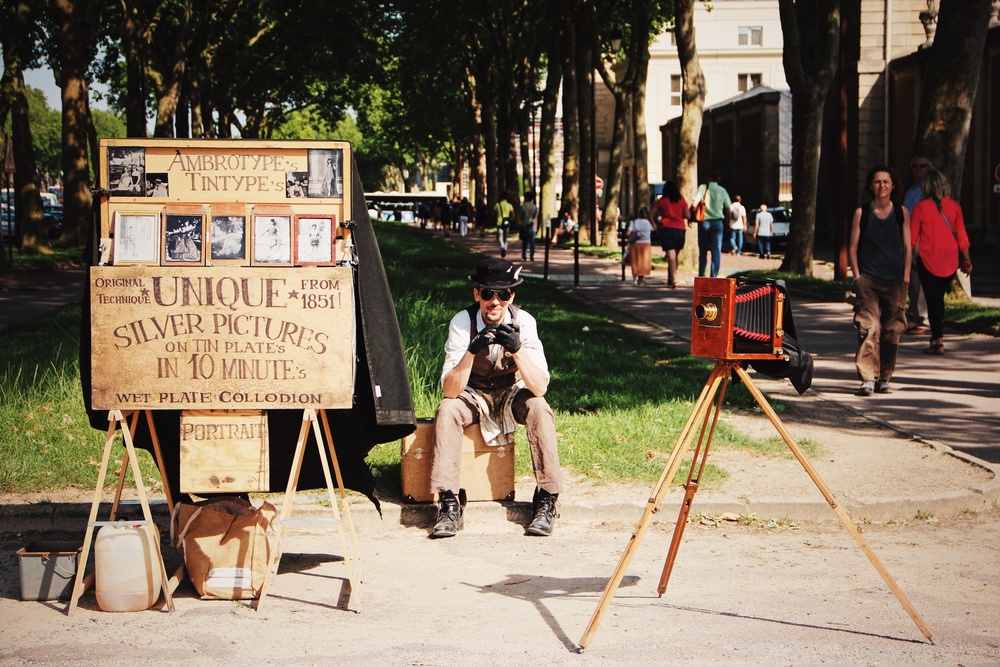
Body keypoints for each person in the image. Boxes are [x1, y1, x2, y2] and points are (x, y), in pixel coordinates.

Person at [430, 258, 562, 538]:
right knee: (447, 411)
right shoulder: (463, 322)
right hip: (474, 394)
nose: (496, 302)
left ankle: (547, 498)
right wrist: (470, 351)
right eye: (488, 294)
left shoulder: (524, 321)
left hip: (511, 393)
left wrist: (517, 350)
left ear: (512, 295)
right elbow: (451, 391)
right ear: (476, 293)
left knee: (539, 408)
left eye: (504, 295)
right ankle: (449, 502)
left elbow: (539, 387)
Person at [848, 165, 911, 396]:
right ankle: (866, 378)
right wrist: (857, 275)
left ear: (893, 185)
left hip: (895, 281)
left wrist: (906, 275)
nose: (881, 185)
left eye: (886, 181)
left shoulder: (901, 213)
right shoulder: (861, 213)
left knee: (891, 332)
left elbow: (907, 246)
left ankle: (884, 377)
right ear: (870, 186)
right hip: (869, 281)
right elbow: (853, 247)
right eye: (877, 182)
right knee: (868, 327)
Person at [908, 169, 972, 356]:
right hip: (950, 260)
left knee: (932, 299)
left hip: (927, 259)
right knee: (939, 300)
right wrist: (966, 260)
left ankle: (938, 340)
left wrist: (907, 258)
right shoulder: (955, 207)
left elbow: (912, 239)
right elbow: (962, 236)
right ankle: (936, 337)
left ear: (926, 186)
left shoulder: (920, 208)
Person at [902, 154, 932, 335]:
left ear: (929, 168)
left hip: (923, 239)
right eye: (914, 166)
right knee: (911, 279)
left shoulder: (929, 192)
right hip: (908, 237)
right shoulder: (911, 191)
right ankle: (915, 315)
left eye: (922, 166)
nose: (918, 170)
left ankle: (923, 319)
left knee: (920, 280)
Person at [691, 172, 732, 277]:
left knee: (703, 249)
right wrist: (728, 222)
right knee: (716, 250)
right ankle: (713, 275)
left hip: (704, 222)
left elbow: (694, 205)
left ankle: (702, 274)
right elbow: (729, 209)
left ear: (709, 177)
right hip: (718, 223)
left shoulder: (703, 188)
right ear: (719, 179)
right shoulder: (722, 191)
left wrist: (691, 216)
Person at [651, 181, 688, 288]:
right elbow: (687, 215)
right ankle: (671, 278)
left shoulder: (661, 201)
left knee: (671, 256)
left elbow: (650, 214)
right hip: (680, 229)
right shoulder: (682, 200)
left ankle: (673, 279)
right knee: (675, 255)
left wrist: (655, 226)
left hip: (666, 228)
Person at [626, 207, 654, 286]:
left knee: (635, 261)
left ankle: (634, 279)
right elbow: (653, 230)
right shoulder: (648, 223)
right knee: (644, 262)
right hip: (646, 244)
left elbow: (628, 233)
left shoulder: (634, 222)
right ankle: (640, 281)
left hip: (635, 244)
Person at [493, 193, 515, 258]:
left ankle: (502, 247)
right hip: (507, 223)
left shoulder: (497, 205)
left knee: (500, 237)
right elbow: (513, 214)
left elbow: (494, 213)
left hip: (499, 222)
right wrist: (510, 219)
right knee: (506, 237)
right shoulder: (509, 205)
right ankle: (505, 248)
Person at [519, 190, 538, 261]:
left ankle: (524, 255)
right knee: (532, 241)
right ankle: (532, 254)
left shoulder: (523, 206)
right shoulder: (535, 207)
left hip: (524, 224)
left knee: (525, 241)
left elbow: (521, 215)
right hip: (532, 225)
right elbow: (535, 216)